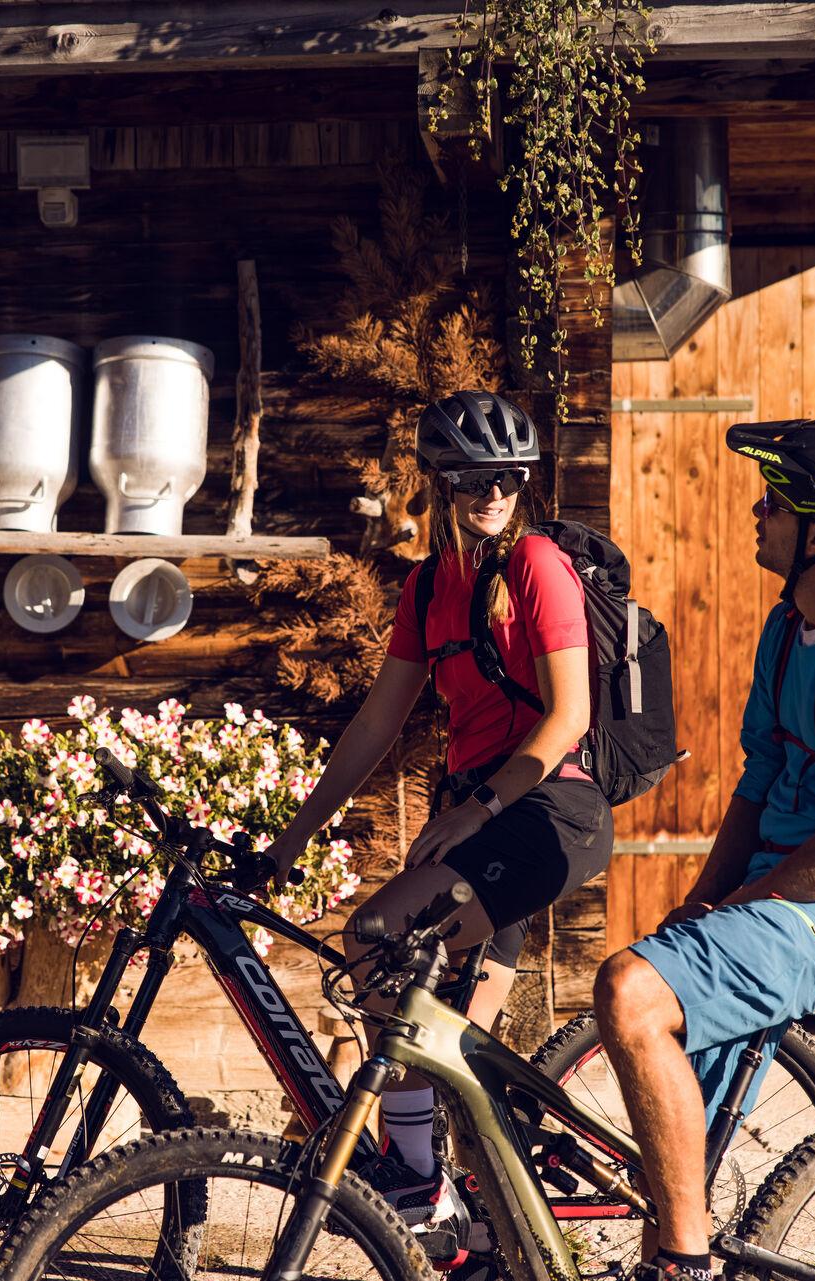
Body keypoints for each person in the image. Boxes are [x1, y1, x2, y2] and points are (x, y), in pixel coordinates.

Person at [592, 418, 815, 1281]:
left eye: (774, 504)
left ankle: (687, 1263)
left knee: (629, 991)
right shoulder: (788, 628)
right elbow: (757, 784)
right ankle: (673, 1241)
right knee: (668, 1158)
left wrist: (729, 909)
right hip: (781, 894)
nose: (757, 514)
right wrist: (700, 902)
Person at [268, 390, 614, 1244]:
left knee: (378, 935)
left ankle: (417, 1186)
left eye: (507, 478)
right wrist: (296, 834)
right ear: (440, 484)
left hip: (547, 809)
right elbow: (376, 724)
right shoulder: (428, 586)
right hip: (480, 820)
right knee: (448, 1049)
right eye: (470, 478)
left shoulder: (536, 563)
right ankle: (492, 1231)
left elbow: (569, 715)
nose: (491, 493)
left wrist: (483, 806)